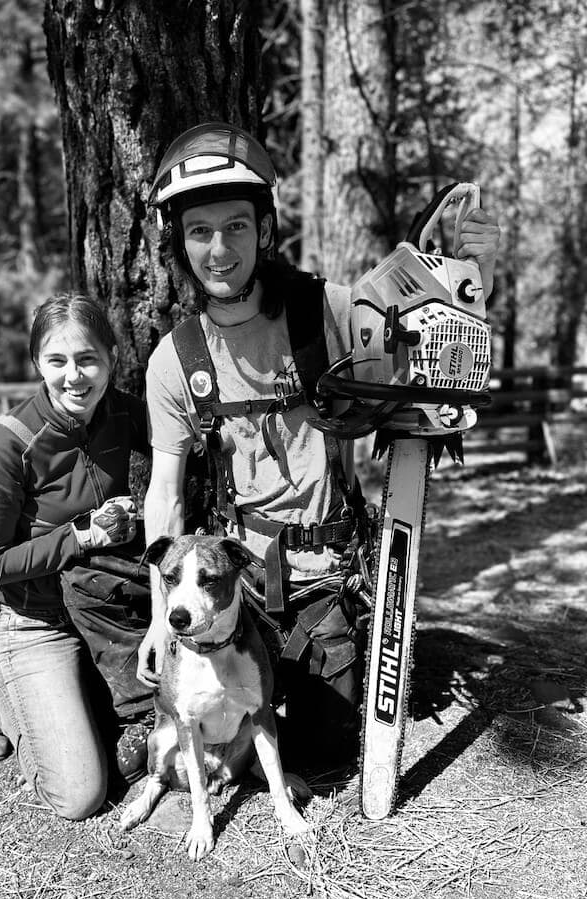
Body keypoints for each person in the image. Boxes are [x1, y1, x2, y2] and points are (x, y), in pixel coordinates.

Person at [137, 122, 500, 765]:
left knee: (323, 756)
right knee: (207, 734)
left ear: (264, 229)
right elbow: (164, 492)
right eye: (200, 231)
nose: (219, 249)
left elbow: (421, 332)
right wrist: (160, 615)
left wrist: (476, 273)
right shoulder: (175, 359)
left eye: (236, 227)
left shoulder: (323, 313)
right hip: (232, 586)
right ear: (179, 242)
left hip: (322, 576)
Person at [0, 292, 154, 820]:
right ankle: (0, 691)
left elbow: (179, 458)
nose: (74, 376)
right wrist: (82, 536)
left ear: (112, 359)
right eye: (57, 360)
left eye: (88, 359)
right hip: (38, 621)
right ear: (37, 364)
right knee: (81, 796)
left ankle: (61, 702)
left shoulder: (123, 413)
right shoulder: (8, 442)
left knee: (146, 745)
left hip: (107, 610)